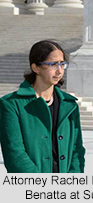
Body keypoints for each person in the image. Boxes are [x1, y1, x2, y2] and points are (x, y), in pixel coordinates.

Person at [0, 40, 85, 173]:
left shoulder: (69, 105)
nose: (59, 71)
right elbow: (14, 153)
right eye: (53, 65)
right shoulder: (11, 104)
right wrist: (41, 185)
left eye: (62, 64)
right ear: (36, 68)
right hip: (29, 188)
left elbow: (76, 149)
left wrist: (72, 181)